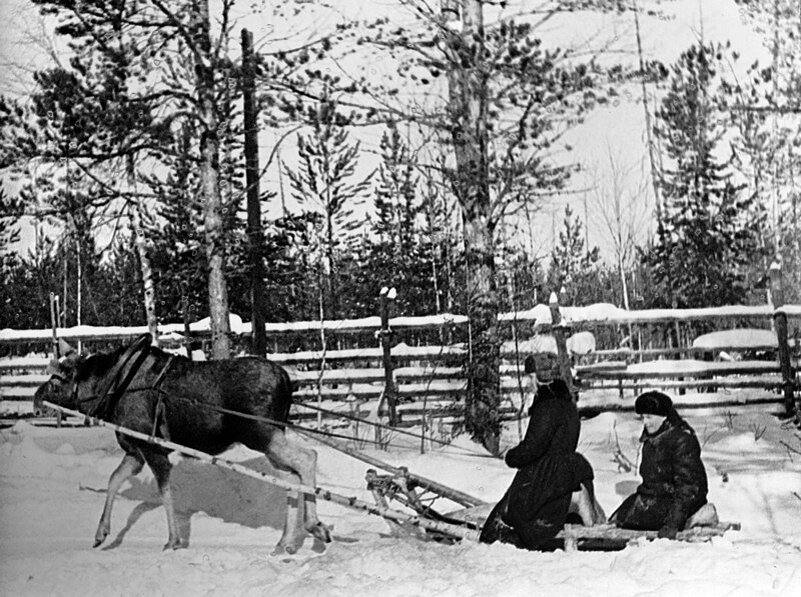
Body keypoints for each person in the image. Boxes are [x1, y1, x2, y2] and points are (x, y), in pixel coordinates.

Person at [479, 351, 597, 550]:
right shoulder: (567, 404)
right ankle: (571, 498)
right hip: (566, 469)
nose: (528, 383)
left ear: (540, 379)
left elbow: (534, 447)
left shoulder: (546, 407)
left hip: (546, 474)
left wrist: (511, 456)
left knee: (513, 512)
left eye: (530, 377)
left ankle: (572, 500)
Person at [610, 390, 709, 539]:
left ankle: (699, 516)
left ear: (664, 417)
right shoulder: (652, 438)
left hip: (681, 502)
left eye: (649, 417)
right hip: (657, 498)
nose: (645, 422)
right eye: (643, 417)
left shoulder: (682, 440)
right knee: (619, 519)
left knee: (632, 524)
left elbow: (688, 486)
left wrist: (673, 523)